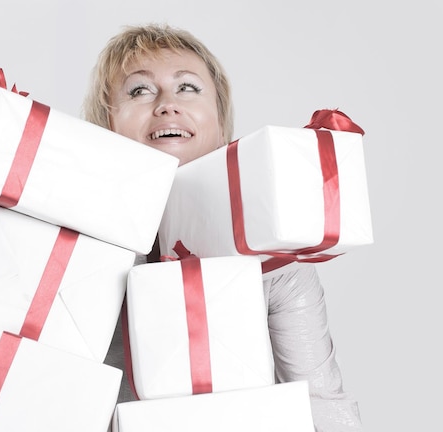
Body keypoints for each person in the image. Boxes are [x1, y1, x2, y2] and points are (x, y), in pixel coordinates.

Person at [83, 23, 363, 432]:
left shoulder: (273, 254)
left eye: (188, 88)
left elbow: (319, 401)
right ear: (105, 124)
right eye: (139, 90)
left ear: (220, 127)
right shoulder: (68, 241)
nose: (166, 105)